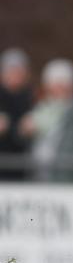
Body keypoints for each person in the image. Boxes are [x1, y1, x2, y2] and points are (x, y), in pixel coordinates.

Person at [19, 58, 73, 182]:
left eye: (64, 82)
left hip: (70, 180)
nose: (60, 87)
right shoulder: (41, 108)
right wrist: (24, 132)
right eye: (55, 83)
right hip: (39, 178)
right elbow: (25, 143)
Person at [0, 48, 35, 181]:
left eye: (18, 71)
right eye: (11, 71)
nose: (15, 75)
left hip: (25, 171)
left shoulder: (33, 99)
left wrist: (31, 130)